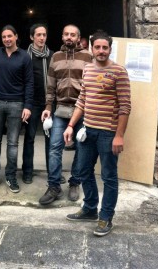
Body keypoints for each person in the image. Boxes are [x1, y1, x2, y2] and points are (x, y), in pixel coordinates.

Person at [64, 29, 131, 237]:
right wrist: (70, 125)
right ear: (91, 49)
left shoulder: (119, 72)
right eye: (97, 47)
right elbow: (82, 100)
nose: (101, 51)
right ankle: (90, 208)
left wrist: (119, 135)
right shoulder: (88, 69)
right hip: (88, 130)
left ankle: (106, 217)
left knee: (109, 176)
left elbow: (125, 107)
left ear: (110, 49)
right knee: (83, 171)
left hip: (108, 134)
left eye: (105, 47)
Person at [39, 24, 92, 205]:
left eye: (73, 35)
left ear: (78, 38)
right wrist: (48, 106)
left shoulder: (88, 57)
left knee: (81, 148)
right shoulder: (56, 57)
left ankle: (75, 182)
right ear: (62, 37)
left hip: (81, 109)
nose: (69, 37)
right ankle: (54, 186)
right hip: (61, 109)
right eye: (66, 34)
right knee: (55, 147)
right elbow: (50, 85)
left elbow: (92, 84)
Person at [0, 25, 34, 193]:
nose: (7, 39)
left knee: (13, 143)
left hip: (16, 104)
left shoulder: (25, 57)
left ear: (16, 36)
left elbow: (29, 83)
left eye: (9, 36)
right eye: (4, 36)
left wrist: (27, 105)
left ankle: (11, 176)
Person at [22, 23, 53, 184]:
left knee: (51, 139)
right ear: (31, 37)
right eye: (38, 35)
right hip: (32, 103)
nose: (42, 38)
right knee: (30, 138)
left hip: (49, 103)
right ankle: (27, 171)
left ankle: (53, 172)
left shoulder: (52, 56)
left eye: (44, 35)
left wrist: (51, 102)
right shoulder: (24, 56)